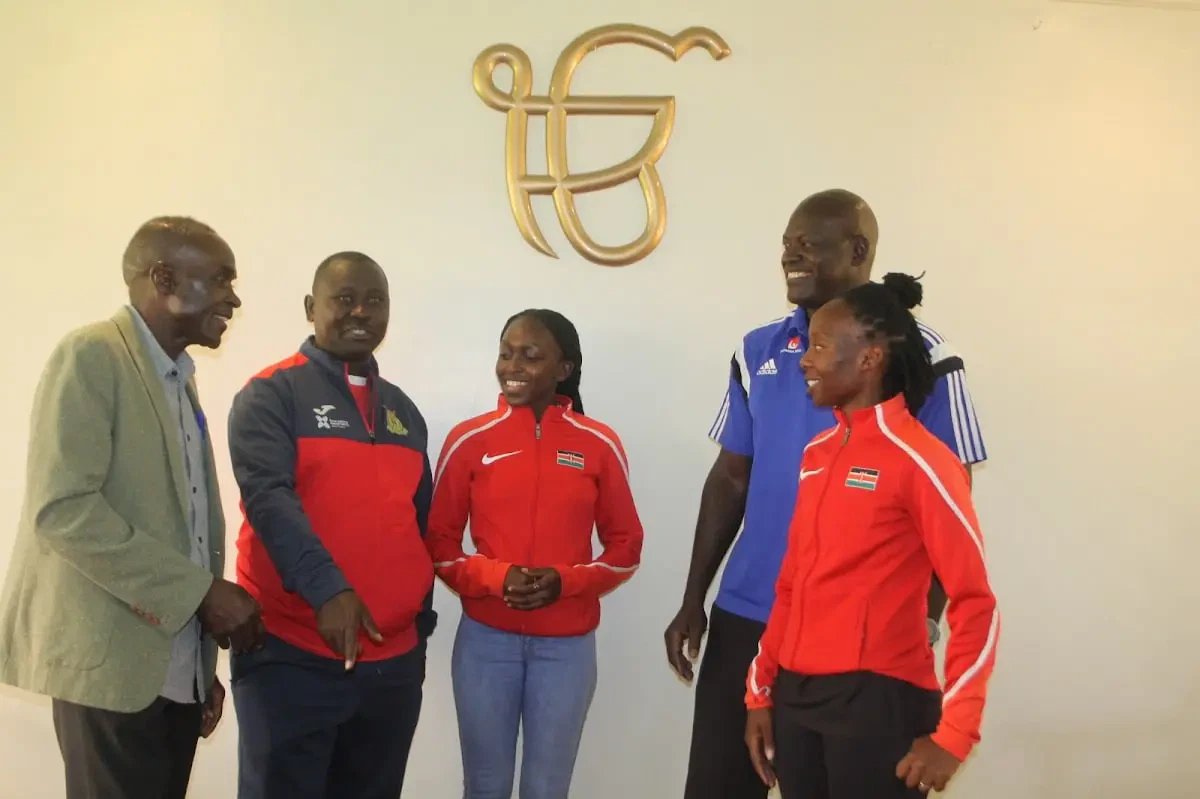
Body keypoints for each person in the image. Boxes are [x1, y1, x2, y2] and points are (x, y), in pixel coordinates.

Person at [665, 189, 989, 799]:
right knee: (716, 785)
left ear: (858, 251)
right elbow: (732, 476)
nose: (792, 254)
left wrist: (924, 618)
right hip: (753, 617)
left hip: (861, 648)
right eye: (787, 243)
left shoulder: (922, 356)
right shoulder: (755, 348)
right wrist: (693, 600)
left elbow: (953, 506)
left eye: (808, 243)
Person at [0, 216, 262, 799]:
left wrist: (198, 670)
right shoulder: (92, 356)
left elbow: (184, 527)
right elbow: (63, 510)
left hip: (171, 676)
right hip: (109, 673)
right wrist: (201, 594)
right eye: (220, 279)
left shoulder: (181, 381)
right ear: (163, 278)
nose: (233, 297)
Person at [743, 274, 999, 797]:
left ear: (869, 359)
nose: (804, 361)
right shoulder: (818, 454)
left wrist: (954, 735)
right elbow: (792, 584)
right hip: (797, 697)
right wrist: (761, 692)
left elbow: (976, 603)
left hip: (879, 704)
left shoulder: (923, 460)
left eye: (819, 345)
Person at [226, 251, 437, 799]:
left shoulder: (404, 414)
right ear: (310, 308)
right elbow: (270, 502)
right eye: (344, 299)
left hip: (392, 668)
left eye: (375, 300)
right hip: (293, 658)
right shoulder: (271, 395)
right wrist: (329, 589)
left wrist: (420, 621)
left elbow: (420, 526)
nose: (360, 311)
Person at [427, 309, 644, 799]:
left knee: (547, 788)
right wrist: (495, 577)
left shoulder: (599, 444)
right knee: (485, 785)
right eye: (506, 353)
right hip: (486, 644)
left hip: (566, 649)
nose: (513, 366)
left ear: (563, 369)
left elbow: (626, 548)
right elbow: (438, 545)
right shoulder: (469, 440)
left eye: (531, 355)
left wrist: (566, 582)